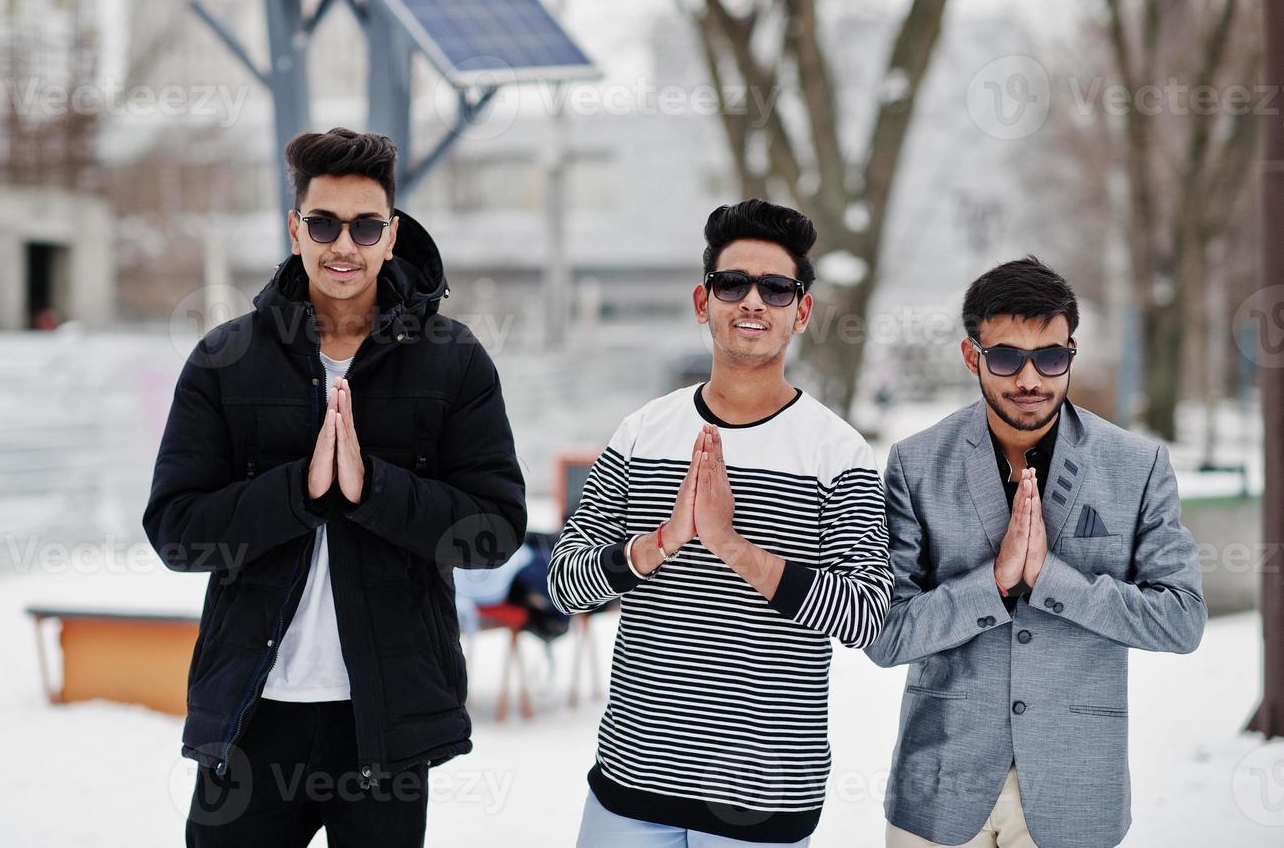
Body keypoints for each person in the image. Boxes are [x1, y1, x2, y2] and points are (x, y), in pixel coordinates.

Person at [142, 127, 527, 847]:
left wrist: (372, 489)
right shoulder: (226, 357)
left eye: (364, 226)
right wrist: (300, 491)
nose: (342, 245)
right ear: (295, 229)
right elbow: (176, 530)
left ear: (392, 235)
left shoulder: (453, 361)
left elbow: (494, 530)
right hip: (253, 715)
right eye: (322, 223)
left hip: (386, 719)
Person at [548, 198, 893, 846]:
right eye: (732, 284)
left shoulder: (834, 452)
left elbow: (865, 614)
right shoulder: (642, 434)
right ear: (702, 301)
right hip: (631, 785)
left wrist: (734, 547)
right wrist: (658, 544)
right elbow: (565, 584)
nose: (751, 302)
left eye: (775, 287)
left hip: (762, 800)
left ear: (802, 309)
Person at [864, 256, 1206, 848]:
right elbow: (885, 634)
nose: (1031, 379)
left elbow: (1181, 620)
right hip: (940, 793)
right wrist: (992, 585)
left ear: (1070, 352)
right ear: (973, 357)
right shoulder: (915, 465)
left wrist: (1052, 578)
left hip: (1075, 794)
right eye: (1006, 358)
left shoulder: (1137, 466)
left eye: (1050, 357)